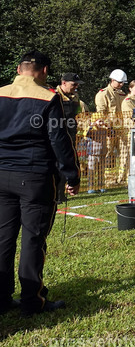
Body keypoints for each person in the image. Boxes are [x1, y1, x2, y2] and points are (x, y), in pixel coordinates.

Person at [0, 51, 80, 316]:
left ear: (17, 68)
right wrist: (72, 174)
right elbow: (60, 139)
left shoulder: (1, 93)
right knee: (33, 239)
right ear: (44, 70)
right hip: (34, 177)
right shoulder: (48, 97)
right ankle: (32, 301)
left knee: (3, 239)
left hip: (2, 174)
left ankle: (1, 298)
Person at [93, 69, 128, 190]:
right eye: (119, 82)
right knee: (108, 156)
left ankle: (122, 179)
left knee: (125, 154)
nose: (121, 85)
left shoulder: (123, 95)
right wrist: (108, 128)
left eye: (123, 83)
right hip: (109, 130)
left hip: (122, 130)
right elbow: (101, 114)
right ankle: (108, 181)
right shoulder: (103, 94)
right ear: (112, 80)